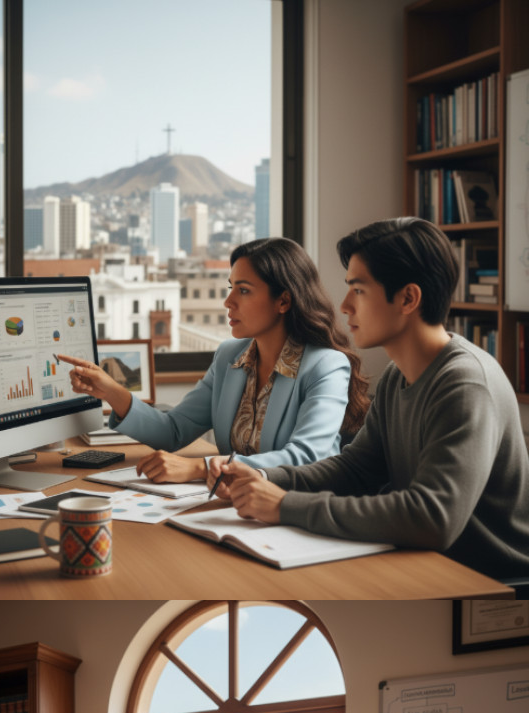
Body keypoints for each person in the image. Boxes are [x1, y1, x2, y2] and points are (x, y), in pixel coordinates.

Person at [217, 217, 529, 580]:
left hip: (493, 584)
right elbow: (357, 470)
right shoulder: (400, 374)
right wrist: (264, 477)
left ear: (408, 298)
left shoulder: (465, 384)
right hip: (428, 564)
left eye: (358, 290)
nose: (345, 305)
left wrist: (285, 505)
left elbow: (432, 518)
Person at [59, 238, 368, 487]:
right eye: (230, 287)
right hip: (236, 505)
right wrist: (112, 391)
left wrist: (200, 468)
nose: (228, 301)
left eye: (243, 290)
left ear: (283, 301)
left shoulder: (326, 365)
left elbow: (307, 458)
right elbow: (173, 431)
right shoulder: (229, 357)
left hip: (297, 508)